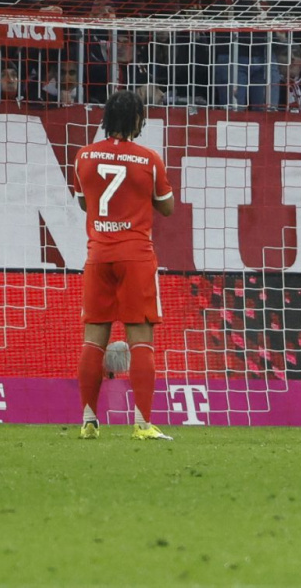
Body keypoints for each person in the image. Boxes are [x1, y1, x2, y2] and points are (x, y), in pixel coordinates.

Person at [73, 91, 176, 440]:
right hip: (135, 256)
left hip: (98, 255)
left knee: (93, 340)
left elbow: (84, 202)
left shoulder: (84, 156)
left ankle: (88, 422)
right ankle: (143, 425)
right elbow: (167, 207)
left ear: (106, 119)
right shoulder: (148, 159)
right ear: (137, 120)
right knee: (141, 340)